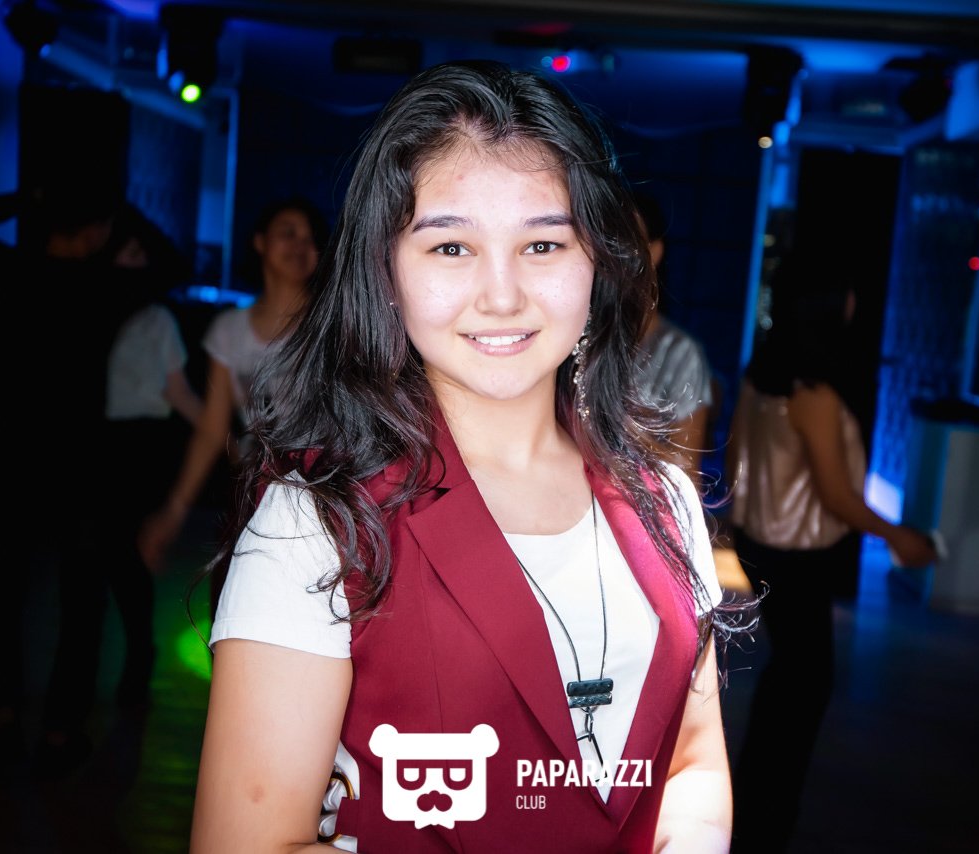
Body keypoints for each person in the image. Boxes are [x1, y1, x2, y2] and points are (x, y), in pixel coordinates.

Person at [189, 59, 755, 853]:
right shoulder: (317, 520)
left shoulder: (664, 501)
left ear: (598, 261)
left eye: (543, 244)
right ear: (386, 270)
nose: (502, 295)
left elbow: (690, 767)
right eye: (451, 247)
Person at [724, 255, 938, 853]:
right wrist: (899, 536)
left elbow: (736, 460)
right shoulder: (813, 393)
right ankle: (766, 822)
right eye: (846, 293)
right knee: (805, 684)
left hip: (761, 545)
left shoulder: (761, 374)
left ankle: (754, 812)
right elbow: (837, 496)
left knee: (789, 678)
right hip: (797, 555)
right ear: (826, 306)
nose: (854, 303)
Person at [0, 181, 152, 772]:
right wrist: (117, 208)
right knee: (82, 597)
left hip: (12, 450)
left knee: (1, 592)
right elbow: (170, 260)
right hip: (80, 459)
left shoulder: (7, 270)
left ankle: (1, 722)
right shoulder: (106, 284)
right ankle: (60, 732)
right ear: (96, 230)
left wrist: (32, 197)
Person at [34, 208, 203, 777]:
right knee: (92, 577)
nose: (135, 264)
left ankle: (133, 661)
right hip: (92, 452)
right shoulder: (86, 307)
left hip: (138, 452)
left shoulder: (155, 316)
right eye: (126, 254)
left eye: (139, 255)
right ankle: (73, 712)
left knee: (124, 564)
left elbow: (177, 391)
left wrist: (225, 437)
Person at [137, 195, 329, 573]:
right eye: (288, 233)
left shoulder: (331, 326)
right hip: (256, 490)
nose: (300, 245)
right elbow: (212, 430)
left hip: (323, 489)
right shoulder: (229, 330)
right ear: (259, 242)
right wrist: (174, 511)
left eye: (310, 238)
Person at [631, 190, 717, 488]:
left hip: (642, 504)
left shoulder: (680, 354)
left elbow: (688, 471)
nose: (612, 257)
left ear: (654, 252)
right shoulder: (574, 336)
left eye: (628, 243)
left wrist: (616, 426)